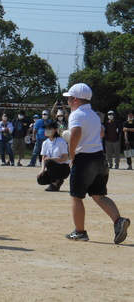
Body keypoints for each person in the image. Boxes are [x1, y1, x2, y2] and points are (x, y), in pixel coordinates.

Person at [62, 83, 129, 244]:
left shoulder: (76, 114)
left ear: (76, 100)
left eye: (70, 98)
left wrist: (72, 155)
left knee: (76, 197)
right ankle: (118, 221)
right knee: (99, 195)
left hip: (84, 158)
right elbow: (101, 132)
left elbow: (76, 133)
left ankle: (80, 232)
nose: (68, 101)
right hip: (100, 157)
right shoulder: (93, 114)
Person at [36, 121, 70, 192]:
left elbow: (65, 158)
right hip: (51, 167)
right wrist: (42, 170)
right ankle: (58, 181)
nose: (47, 130)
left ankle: (54, 184)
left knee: (49, 162)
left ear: (55, 130)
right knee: (40, 179)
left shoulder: (61, 141)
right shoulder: (45, 143)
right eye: (46, 129)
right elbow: (43, 158)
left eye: (49, 128)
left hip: (63, 168)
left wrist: (53, 159)